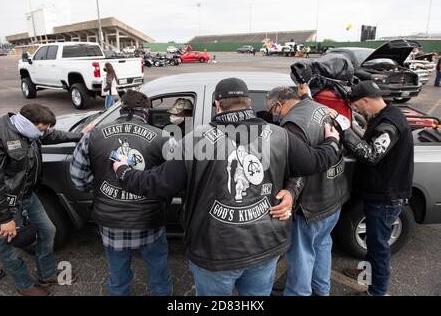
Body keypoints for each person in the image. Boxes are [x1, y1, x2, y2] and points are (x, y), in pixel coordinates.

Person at [112, 77, 342, 296]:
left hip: (214, 252)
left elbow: (156, 184)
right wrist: (331, 141)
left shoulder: (196, 140)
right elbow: (315, 162)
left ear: (217, 105)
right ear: (249, 103)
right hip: (264, 248)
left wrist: (123, 170)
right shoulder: (280, 135)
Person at [70, 90, 173, 296]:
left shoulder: (93, 135)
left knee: (118, 277)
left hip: (110, 223)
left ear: (121, 107)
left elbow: (77, 178)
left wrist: (100, 190)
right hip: (149, 221)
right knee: (159, 274)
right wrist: (162, 198)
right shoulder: (163, 138)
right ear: (146, 111)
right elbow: (174, 181)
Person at [0, 104, 94, 296]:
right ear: (29, 124)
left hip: (28, 195)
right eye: (42, 128)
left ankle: (46, 274)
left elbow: (53, 136)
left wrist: (81, 135)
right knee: (9, 248)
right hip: (5, 203)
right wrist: (5, 219)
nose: (44, 132)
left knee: (48, 230)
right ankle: (24, 286)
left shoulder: (30, 131)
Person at [265, 85, 350, 296]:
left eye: (273, 110)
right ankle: (322, 291)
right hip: (333, 197)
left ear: (279, 104)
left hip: (311, 206)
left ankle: (298, 293)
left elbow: (298, 168)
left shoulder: (293, 126)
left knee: (301, 256)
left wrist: (291, 193)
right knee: (321, 247)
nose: (274, 115)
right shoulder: (319, 107)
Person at [341, 81, 414, 296]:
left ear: (365, 100)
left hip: (385, 197)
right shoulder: (384, 114)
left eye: (355, 106)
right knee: (373, 242)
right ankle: (366, 274)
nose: (354, 109)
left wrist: (344, 132)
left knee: (378, 246)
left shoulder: (389, 123)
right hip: (378, 192)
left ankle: (377, 291)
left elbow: (372, 154)